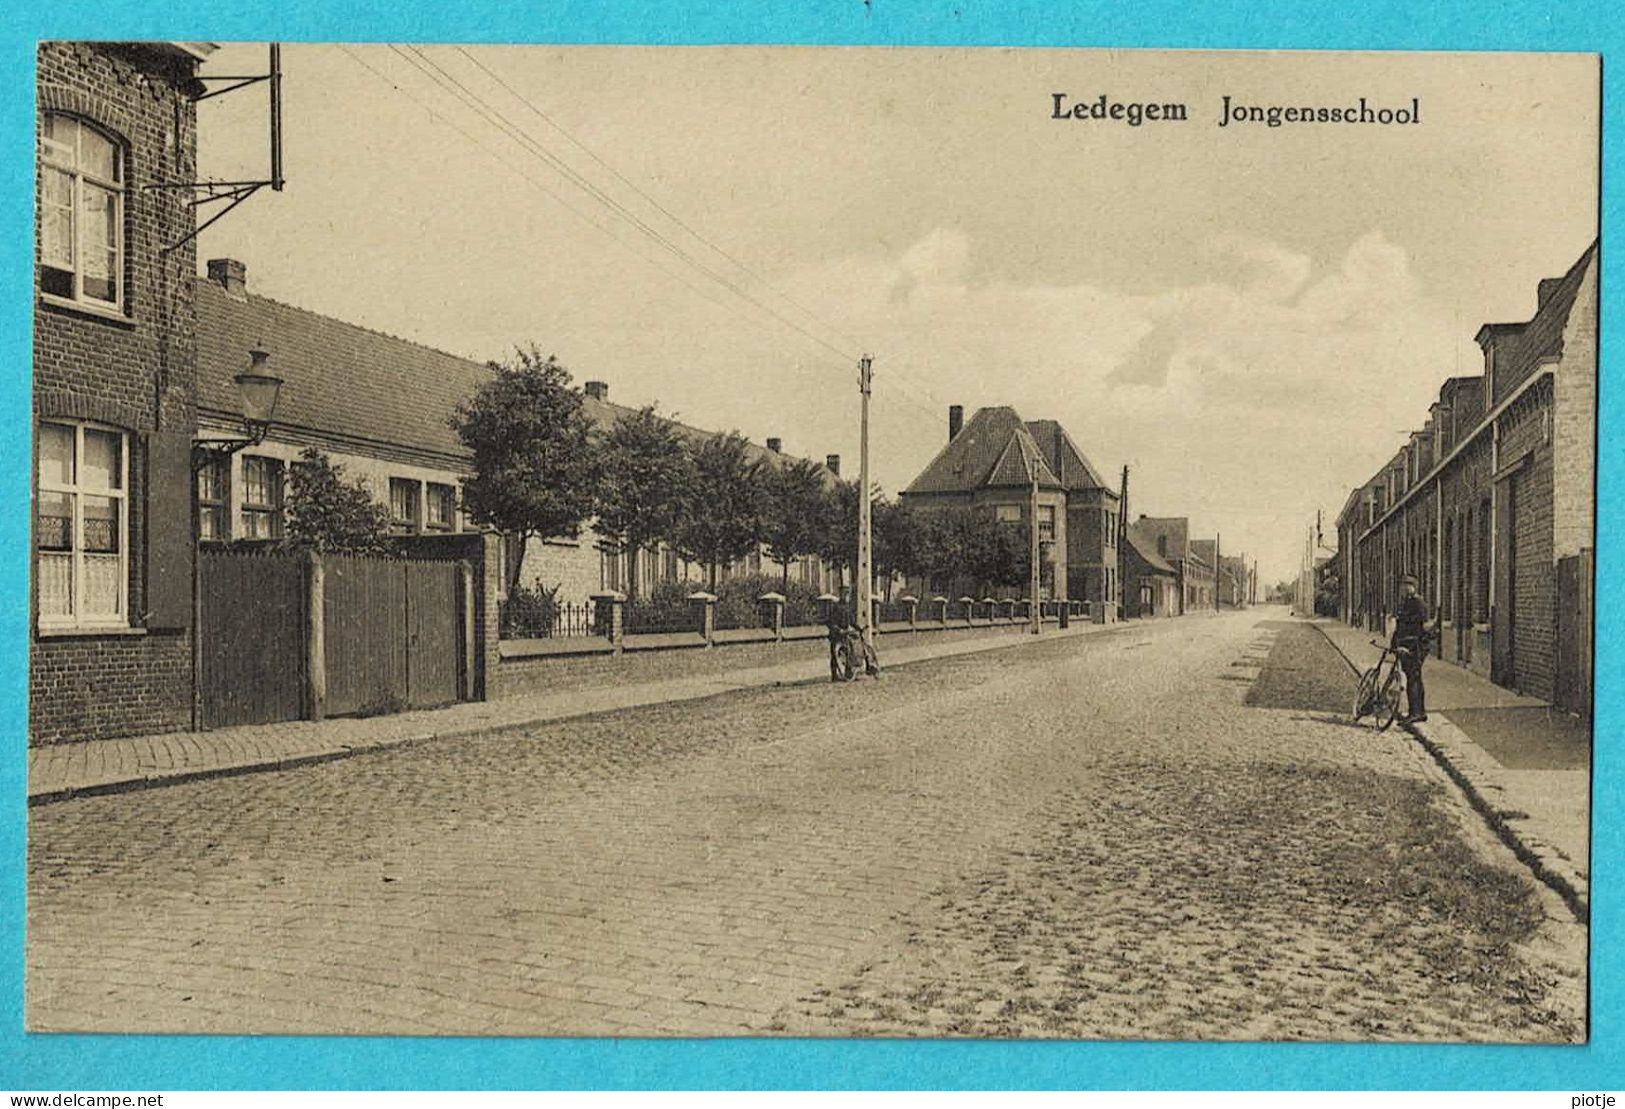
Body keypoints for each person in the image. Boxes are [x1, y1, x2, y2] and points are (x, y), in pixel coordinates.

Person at [1392, 573, 1430, 722]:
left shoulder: (1418, 603)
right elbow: (1400, 625)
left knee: (1414, 678)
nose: (1405, 588)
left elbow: (1421, 627)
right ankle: (1417, 712)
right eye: (1403, 585)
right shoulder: (1406, 602)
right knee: (1412, 677)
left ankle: (1416, 713)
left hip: (1415, 646)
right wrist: (1395, 644)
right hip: (1406, 644)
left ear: (1413, 587)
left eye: (1408, 585)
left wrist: (1412, 646)